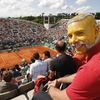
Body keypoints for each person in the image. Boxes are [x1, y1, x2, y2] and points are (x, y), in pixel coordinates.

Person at [32, 13, 100, 100]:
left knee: (38, 95)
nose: (73, 41)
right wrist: (59, 80)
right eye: (70, 36)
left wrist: (50, 88)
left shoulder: (92, 68)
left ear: (96, 31)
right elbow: (80, 76)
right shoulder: (86, 61)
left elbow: (62, 97)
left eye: (79, 33)